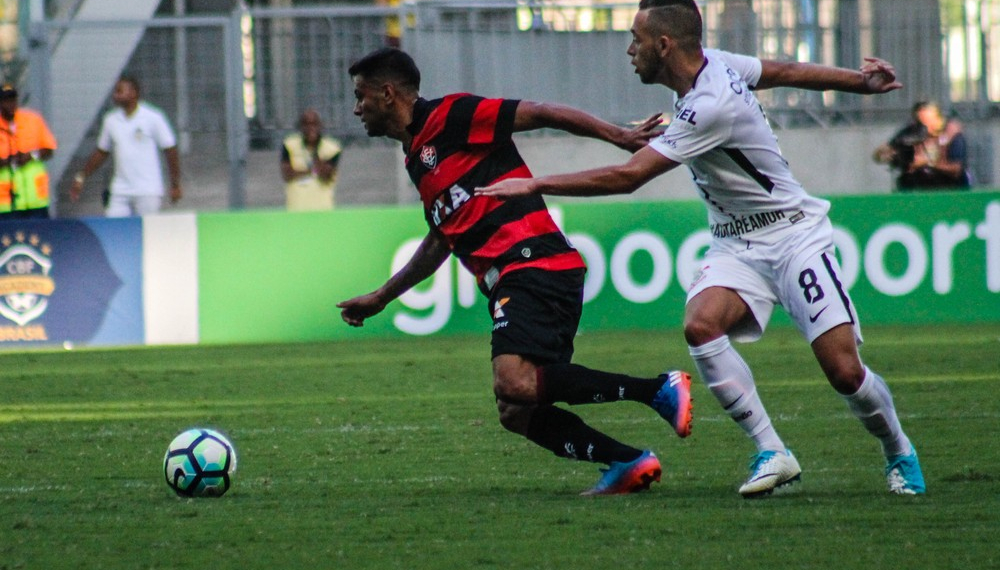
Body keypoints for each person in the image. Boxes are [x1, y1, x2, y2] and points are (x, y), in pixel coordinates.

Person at [477, 0, 926, 497]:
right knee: (700, 324)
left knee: (844, 373)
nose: (630, 50)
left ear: (663, 45)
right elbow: (787, 70)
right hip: (735, 242)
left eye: (636, 39)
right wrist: (857, 81)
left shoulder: (709, 104)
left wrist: (534, 184)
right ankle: (772, 452)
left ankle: (899, 450)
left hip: (793, 235)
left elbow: (629, 178)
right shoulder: (716, 64)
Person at [337, 47, 693, 496]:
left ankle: (657, 389)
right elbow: (441, 238)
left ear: (387, 94)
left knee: (514, 381)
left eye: (361, 96)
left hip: (532, 262)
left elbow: (542, 112)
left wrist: (618, 137)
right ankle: (625, 461)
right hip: (521, 276)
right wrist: (383, 296)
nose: (356, 108)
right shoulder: (416, 156)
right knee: (515, 410)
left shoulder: (453, 115)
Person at [69, 76, 182, 217]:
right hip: (120, 190)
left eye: (119, 91)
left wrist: (175, 184)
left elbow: (170, 149)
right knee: (115, 229)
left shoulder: (153, 117)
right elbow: (102, 152)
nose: (115, 95)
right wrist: (82, 176)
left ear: (133, 92)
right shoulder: (111, 120)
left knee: (145, 233)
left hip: (147, 190)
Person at [872, 101, 971, 191]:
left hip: (948, 188)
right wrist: (893, 154)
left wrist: (927, 163)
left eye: (930, 120)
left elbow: (956, 169)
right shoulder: (911, 132)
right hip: (917, 186)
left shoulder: (952, 135)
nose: (927, 126)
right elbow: (880, 154)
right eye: (922, 121)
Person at [0, 84, 58, 219]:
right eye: (6, 101)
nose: (10, 105)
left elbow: (49, 149)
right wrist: (7, 161)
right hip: (6, 203)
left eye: (13, 100)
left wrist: (31, 156)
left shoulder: (32, 120)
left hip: (35, 200)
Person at [280, 109, 342, 211]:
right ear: (300, 127)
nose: (310, 128)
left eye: (314, 124)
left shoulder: (332, 147)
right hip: (296, 209)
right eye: (306, 124)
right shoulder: (289, 144)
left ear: (320, 126)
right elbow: (287, 174)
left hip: (323, 209)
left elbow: (326, 176)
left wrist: (315, 149)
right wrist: (313, 170)